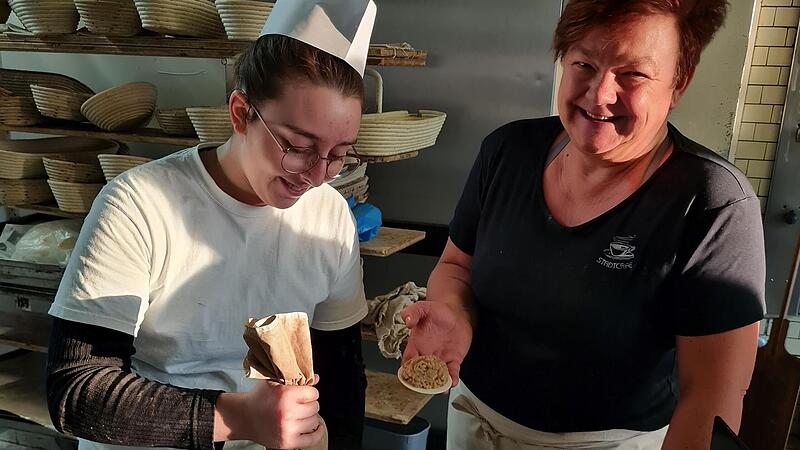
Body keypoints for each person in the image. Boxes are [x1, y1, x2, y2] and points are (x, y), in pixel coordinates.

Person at [402, 1, 765, 449]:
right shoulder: (507, 151)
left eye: (632, 74)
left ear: (679, 81)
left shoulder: (713, 203)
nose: (599, 95)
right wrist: (455, 315)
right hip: (476, 423)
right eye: (584, 64)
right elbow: (456, 267)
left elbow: (710, 398)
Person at [44, 1, 377, 449]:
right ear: (240, 113)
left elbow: (340, 370)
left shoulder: (330, 217)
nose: (317, 175)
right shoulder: (141, 205)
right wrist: (236, 416)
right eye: (298, 146)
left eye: (339, 154)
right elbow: (77, 391)